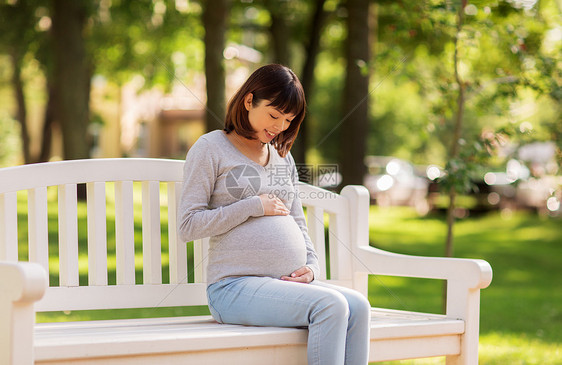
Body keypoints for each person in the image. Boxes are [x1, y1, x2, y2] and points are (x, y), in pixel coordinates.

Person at [178, 64, 371, 365]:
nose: (280, 127)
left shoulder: (283, 156)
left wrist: (312, 267)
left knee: (358, 305)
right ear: (248, 101)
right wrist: (252, 206)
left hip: (283, 287)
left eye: (288, 120)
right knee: (330, 305)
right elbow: (188, 226)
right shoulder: (211, 148)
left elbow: (297, 221)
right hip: (232, 287)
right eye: (273, 115)